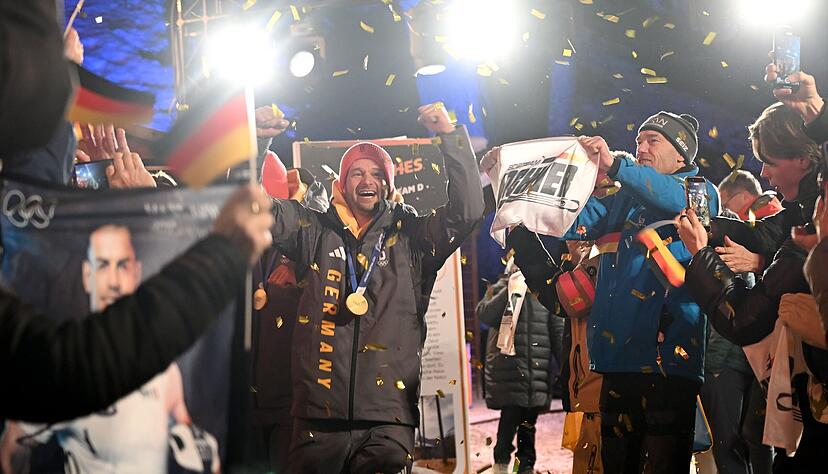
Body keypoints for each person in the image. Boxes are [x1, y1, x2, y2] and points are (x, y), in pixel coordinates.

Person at [270, 103, 483, 473]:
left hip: (388, 421)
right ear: (341, 184)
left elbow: (466, 212)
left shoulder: (413, 238)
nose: (366, 181)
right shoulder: (313, 231)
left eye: (375, 174)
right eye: (355, 173)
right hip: (317, 421)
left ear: (387, 184)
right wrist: (259, 144)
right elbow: (260, 212)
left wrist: (450, 138)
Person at [511, 111, 718, 473]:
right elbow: (576, 221)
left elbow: (673, 198)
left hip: (667, 363)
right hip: (615, 361)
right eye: (638, 141)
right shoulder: (627, 200)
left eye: (652, 140)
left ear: (681, 154)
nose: (641, 148)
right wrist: (526, 203)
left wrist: (617, 165)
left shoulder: (698, 190)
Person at [0, 184, 274, 423]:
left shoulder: (168, 378)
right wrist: (220, 258)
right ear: (86, 274)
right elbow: (67, 369)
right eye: (103, 266)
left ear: (137, 270)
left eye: (122, 265)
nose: (114, 281)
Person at [679, 100, 828, 469]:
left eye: (770, 162)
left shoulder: (804, 238)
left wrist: (701, 255)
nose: (764, 173)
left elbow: (742, 319)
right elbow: (761, 233)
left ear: (804, 162)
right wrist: (709, 229)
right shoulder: (801, 213)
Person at [477, 255, 563, 474]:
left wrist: (566, 366)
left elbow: (557, 331)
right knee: (508, 422)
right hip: (509, 372)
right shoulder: (500, 287)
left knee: (528, 425)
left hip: (536, 371)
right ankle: (501, 465)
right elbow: (484, 313)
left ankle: (525, 467)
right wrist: (509, 288)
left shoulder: (544, 293)